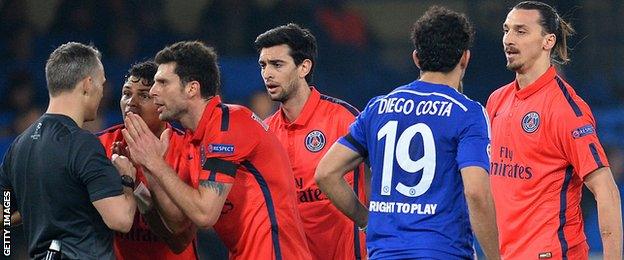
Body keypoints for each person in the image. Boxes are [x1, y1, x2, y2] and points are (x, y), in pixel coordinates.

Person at [315, 6, 500, 259]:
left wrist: (367, 221)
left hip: (384, 252)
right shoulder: (467, 113)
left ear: (416, 58)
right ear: (465, 58)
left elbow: (326, 173)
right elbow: (476, 192)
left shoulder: (378, 108)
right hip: (442, 251)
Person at [121, 41, 311, 260]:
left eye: (162, 82)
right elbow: (178, 222)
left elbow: (205, 214)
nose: (153, 91)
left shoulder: (229, 125)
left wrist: (155, 163)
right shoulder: (191, 140)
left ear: (192, 88)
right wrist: (149, 168)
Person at [487, 1, 622, 259]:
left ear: (548, 41)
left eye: (521, 31)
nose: (508, 39)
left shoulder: (565, 109)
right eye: (507, 30)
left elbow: (606, 191)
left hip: (553, 253)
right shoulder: (496, 101)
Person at [0, 42, 137, 259]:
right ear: (87, 84)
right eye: (101, 84)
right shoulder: (83, 144)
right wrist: (127, 178)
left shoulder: (18, 146)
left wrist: (43, 205)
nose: (102, 94)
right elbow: (121, 219)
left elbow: (3, 215)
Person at [255, 23, 367, 260]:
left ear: (304, 67)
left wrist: (373, 223)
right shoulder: (265, 132)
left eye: (277, 64)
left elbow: (383, 172)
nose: (267, 74)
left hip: (346, 253)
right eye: (263, 65)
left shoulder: (342, 117)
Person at [96, 61, 198, 260]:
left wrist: (135, 185)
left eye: (143, 95)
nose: (130, 103)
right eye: (126, 93)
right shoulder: (101, 146)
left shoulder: (186, 149)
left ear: (162, 103)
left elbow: (179, 241)